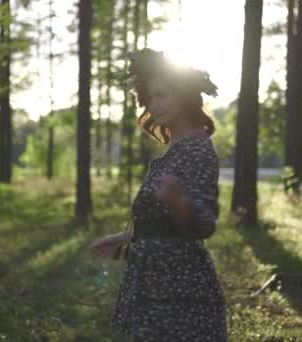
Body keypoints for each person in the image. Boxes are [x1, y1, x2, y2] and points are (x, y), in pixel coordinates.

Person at [89, 48, 227, 341]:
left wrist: (180, 202)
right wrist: (122, 239)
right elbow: (160, 225)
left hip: (180, 291)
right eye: (149, 98)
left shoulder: (198, 150)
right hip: (151, 285)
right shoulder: (173, 151)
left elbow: (204, 225)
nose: (154, 105)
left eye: (162, 95)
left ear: (183, 96)